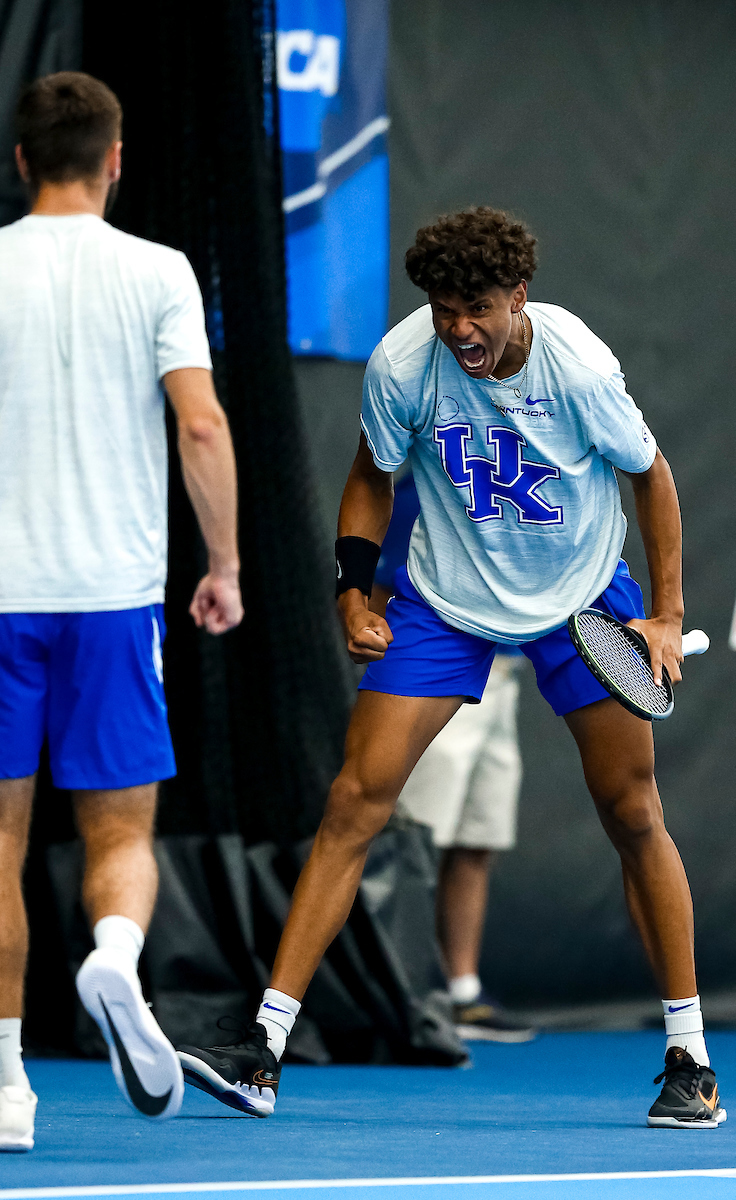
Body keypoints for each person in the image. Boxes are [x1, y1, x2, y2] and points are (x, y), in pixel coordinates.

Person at [178, 206, 724, 1130]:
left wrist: (666, 616)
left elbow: (652, 475)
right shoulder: (402, 364)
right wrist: (354, 590)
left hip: (582, 598)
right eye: (442, 309)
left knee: (633, 813)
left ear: (520, 297)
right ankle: (262, 1050)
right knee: (354, 800)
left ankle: (690, 1060)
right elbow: (369, 475)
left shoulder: (580, 368)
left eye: (476, 308)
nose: (459, 328)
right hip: (446, 597)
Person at [0, 72, 243, 1149]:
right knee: (121, 830)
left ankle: (8, 1093)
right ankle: (115, 955)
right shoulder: (161, 271)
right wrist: (226, 565)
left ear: (22, 162)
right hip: (113, 601)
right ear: (115, 160)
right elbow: (201, 427)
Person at [371, 475, 534, 1043]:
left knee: (476, 837)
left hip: (505, 671)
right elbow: (381, 587)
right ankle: (403, 992)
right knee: (416, 842)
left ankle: (462, 991)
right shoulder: (419, 490)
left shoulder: (517, 473)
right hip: (442, 672)